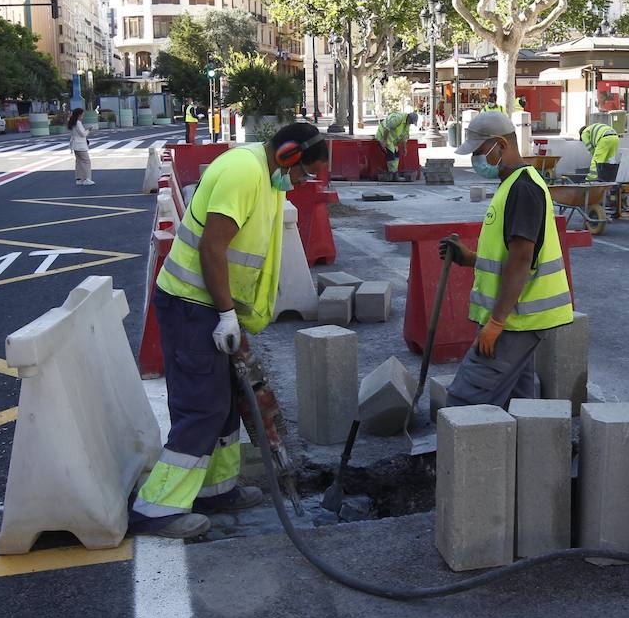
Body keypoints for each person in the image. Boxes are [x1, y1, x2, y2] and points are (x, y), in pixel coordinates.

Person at [130, 122, 330, 539]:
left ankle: (214, 491)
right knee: (201, 407)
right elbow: (212, 246)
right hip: (193, 305)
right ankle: (157, 509)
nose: (300, 182)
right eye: (302, 173)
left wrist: (234, 315)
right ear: (288, 155)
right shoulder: (244, 172)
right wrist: (224, 314)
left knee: (224, 405)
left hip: (212, 307)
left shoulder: (266, 176)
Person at [437, 112, 573, 410]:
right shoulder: (514, 185)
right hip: (518, 318)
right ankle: (526, 454)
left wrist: (496, 322)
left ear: (500, 145)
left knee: (465, 400)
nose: (475, 160)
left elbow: (523, 258)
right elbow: (509, 257)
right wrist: (469, 258)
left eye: (478, 152)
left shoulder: (522, 188)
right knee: (518, 400)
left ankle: (467, 455)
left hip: (515, 319)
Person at [375, 107, 417, 173]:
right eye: (411, 122)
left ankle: (394, 171)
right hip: (383, 136)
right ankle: (392, 172)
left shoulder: (407, 124)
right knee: (391, 154)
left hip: (391, 140)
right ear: (409, 118)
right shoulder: (399, 118)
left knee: (396, 154)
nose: (411, 123)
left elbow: (404, 137)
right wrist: (384, 141)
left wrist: (404, 148)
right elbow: (387, 128)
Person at [69, 107, 93, 186]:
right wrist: (89, 130)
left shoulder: (73, 122)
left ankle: (79, 179)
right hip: (81, 146)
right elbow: (83, 134)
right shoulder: (78, 123)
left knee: (79, 162)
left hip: (75, 145)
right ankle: (87, 179)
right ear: (79, 115)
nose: (83, 116)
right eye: (82, 115)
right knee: (86, 161)